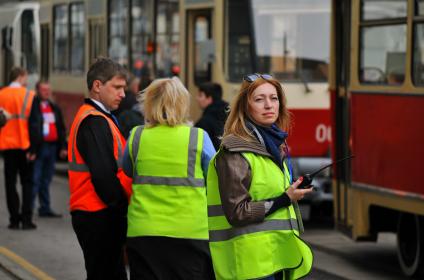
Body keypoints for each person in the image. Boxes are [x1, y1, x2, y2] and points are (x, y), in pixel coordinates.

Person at [206, 73, 314, 280]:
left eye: (274, 98)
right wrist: (284, 199)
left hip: (274, 259)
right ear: (245, 106)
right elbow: (237, 212)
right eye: (259, 99)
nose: (268, 105)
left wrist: (291, 189)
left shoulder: (274, 145)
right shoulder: (234, 151)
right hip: (249, 265)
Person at [122, 77, 216, 280]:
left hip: (144, 232)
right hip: (189, 232)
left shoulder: (137, 136)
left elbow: (127, 169)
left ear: (149, 103)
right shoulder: (199, 138)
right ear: (183, 103)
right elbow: (214, 178)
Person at [67, 58, 132, 280]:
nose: (123, 94)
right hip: (99, 214)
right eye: (117, 87)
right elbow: (104, 177)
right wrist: (123, 207)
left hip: (96, 213)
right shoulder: (94, 121)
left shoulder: (99, 118)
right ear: (97, 86)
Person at [0, 67, 36, 230]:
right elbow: (35, 124)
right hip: (25, 145)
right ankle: (27, 220)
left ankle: (14, 220)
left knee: (10, 183)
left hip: (7, 145)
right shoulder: (30, 95)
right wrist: (35, 148)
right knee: (27, 183)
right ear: (21, 76)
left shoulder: (2, 94)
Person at [28, 80, 67, 218]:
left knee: (47, 179)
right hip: (39, 147)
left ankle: (45, 207)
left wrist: (63, 147)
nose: (47, 92)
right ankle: (29, 208)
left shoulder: (53, 106)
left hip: (52, 147)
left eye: (48, 90)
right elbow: (31, 129)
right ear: (38, 91)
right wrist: (31, 150)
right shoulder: (33, 106)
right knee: (35, 179)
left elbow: (60, 127)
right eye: (44, 90)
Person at [195, 82, 229, 150]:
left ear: (209, 98)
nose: (197, 98)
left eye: (200, 95)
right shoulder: (229, 116)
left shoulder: (203, 123)